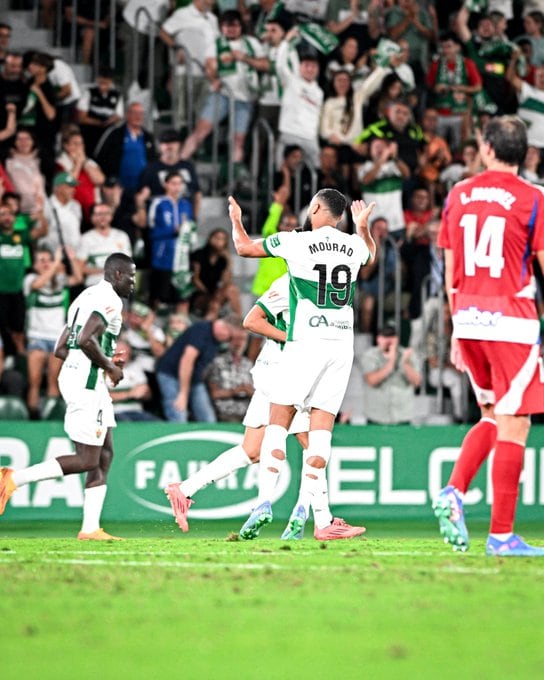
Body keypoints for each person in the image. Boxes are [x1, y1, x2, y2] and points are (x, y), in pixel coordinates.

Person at [164, 273, 362, 540]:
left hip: (272, 372)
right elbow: (252, 320)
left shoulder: (318, 284)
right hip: (287, 375)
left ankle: (185, 489)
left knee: (252, 450)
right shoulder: (293, 282)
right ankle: (318, 519)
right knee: (311, 442)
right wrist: (294, 340)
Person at [228, 189, 376, 539]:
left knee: (278, 423)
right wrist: (363, 228)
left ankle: (264, 502)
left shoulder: (296, 241)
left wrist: (236, 220)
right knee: (321, 431)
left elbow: (244, 247)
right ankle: (305, 508)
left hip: (305, 343)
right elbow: (370, 253)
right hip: (341, 346)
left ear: (315, 208)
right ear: (341, 218)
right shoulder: (353, 245)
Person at [433, 115, 544, 557]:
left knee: (493, 416)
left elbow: (450, 267)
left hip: (468, 319)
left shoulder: (458, 194)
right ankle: (500, 536)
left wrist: (458, 329)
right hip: (512, 322)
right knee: (516, 425)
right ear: (526, 153)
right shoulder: (533, 197)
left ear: (487, 148)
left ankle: (454, 491)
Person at [0, 253, 137, 541]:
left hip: (82, 377)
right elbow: (86, 339)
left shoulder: (84, 297)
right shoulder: (111, 300)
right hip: (86, 382)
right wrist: (110, 366)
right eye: (132, 276)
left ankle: (90, 528)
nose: (134, 283)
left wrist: (106, 360)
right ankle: (14, 478)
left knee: (105, 453)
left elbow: (62, 347)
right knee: (88, 459)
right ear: (118, 275)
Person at [155, 317, 236, 422]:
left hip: (194, 378)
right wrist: (183, 393)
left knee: (208, 419)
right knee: (178, 415)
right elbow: (187, 361)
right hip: (171, 373)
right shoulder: (201, 330)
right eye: (230, 337)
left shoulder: (217, 339)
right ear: (224, 329)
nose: (229, 341)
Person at [361, 324, 422, 425]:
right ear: (378, 339)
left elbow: (417, 382)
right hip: (376, 416)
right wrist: (391, 362)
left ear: (397, 339)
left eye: (392, 337)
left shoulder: (407, 355)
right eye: (385, 337)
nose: (388, 341)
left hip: (402, 415)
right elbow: (372, 380)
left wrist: (406, 363)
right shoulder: (370, 355)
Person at [206, 327, 254, 422]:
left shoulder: (249, 364)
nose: (238, 343)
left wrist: (249, 391)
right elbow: (214, 393)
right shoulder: (218, 362)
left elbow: (258, 393)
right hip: (225, 413)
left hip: (248, 414)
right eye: (235, 339)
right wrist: (235, 391)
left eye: (242, 339)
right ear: (229, 341)